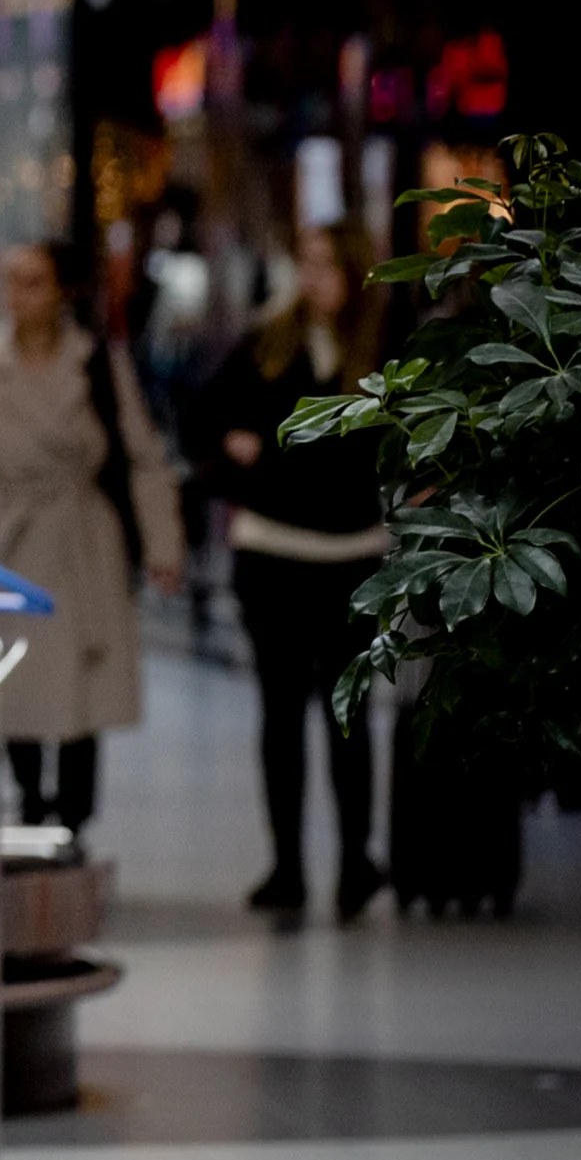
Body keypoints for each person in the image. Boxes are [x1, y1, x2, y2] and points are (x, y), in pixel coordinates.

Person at [0, 240, 185, 832]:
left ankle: (74, 816)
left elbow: (142, 457)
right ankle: (31, 800)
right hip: (12, 538)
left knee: (83, 681)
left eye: (33, 281)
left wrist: (163, 544)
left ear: (61, 291)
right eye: (11, 281)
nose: (18, 295)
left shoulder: (97, 364)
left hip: (84, 537)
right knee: (15, 680)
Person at [189, 222, 389, 917]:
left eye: (328, 265)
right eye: (306, 262)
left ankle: (356, 863)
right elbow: (202, 420)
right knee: (280, 715)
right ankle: (287, 868)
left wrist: (269, 455)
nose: (314, 278)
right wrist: (239, 462)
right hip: (271, 550)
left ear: (355, 272)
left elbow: (386, 444)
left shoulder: (383, 348)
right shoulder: (266, 341)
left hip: (353, 555)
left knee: (348, 715)